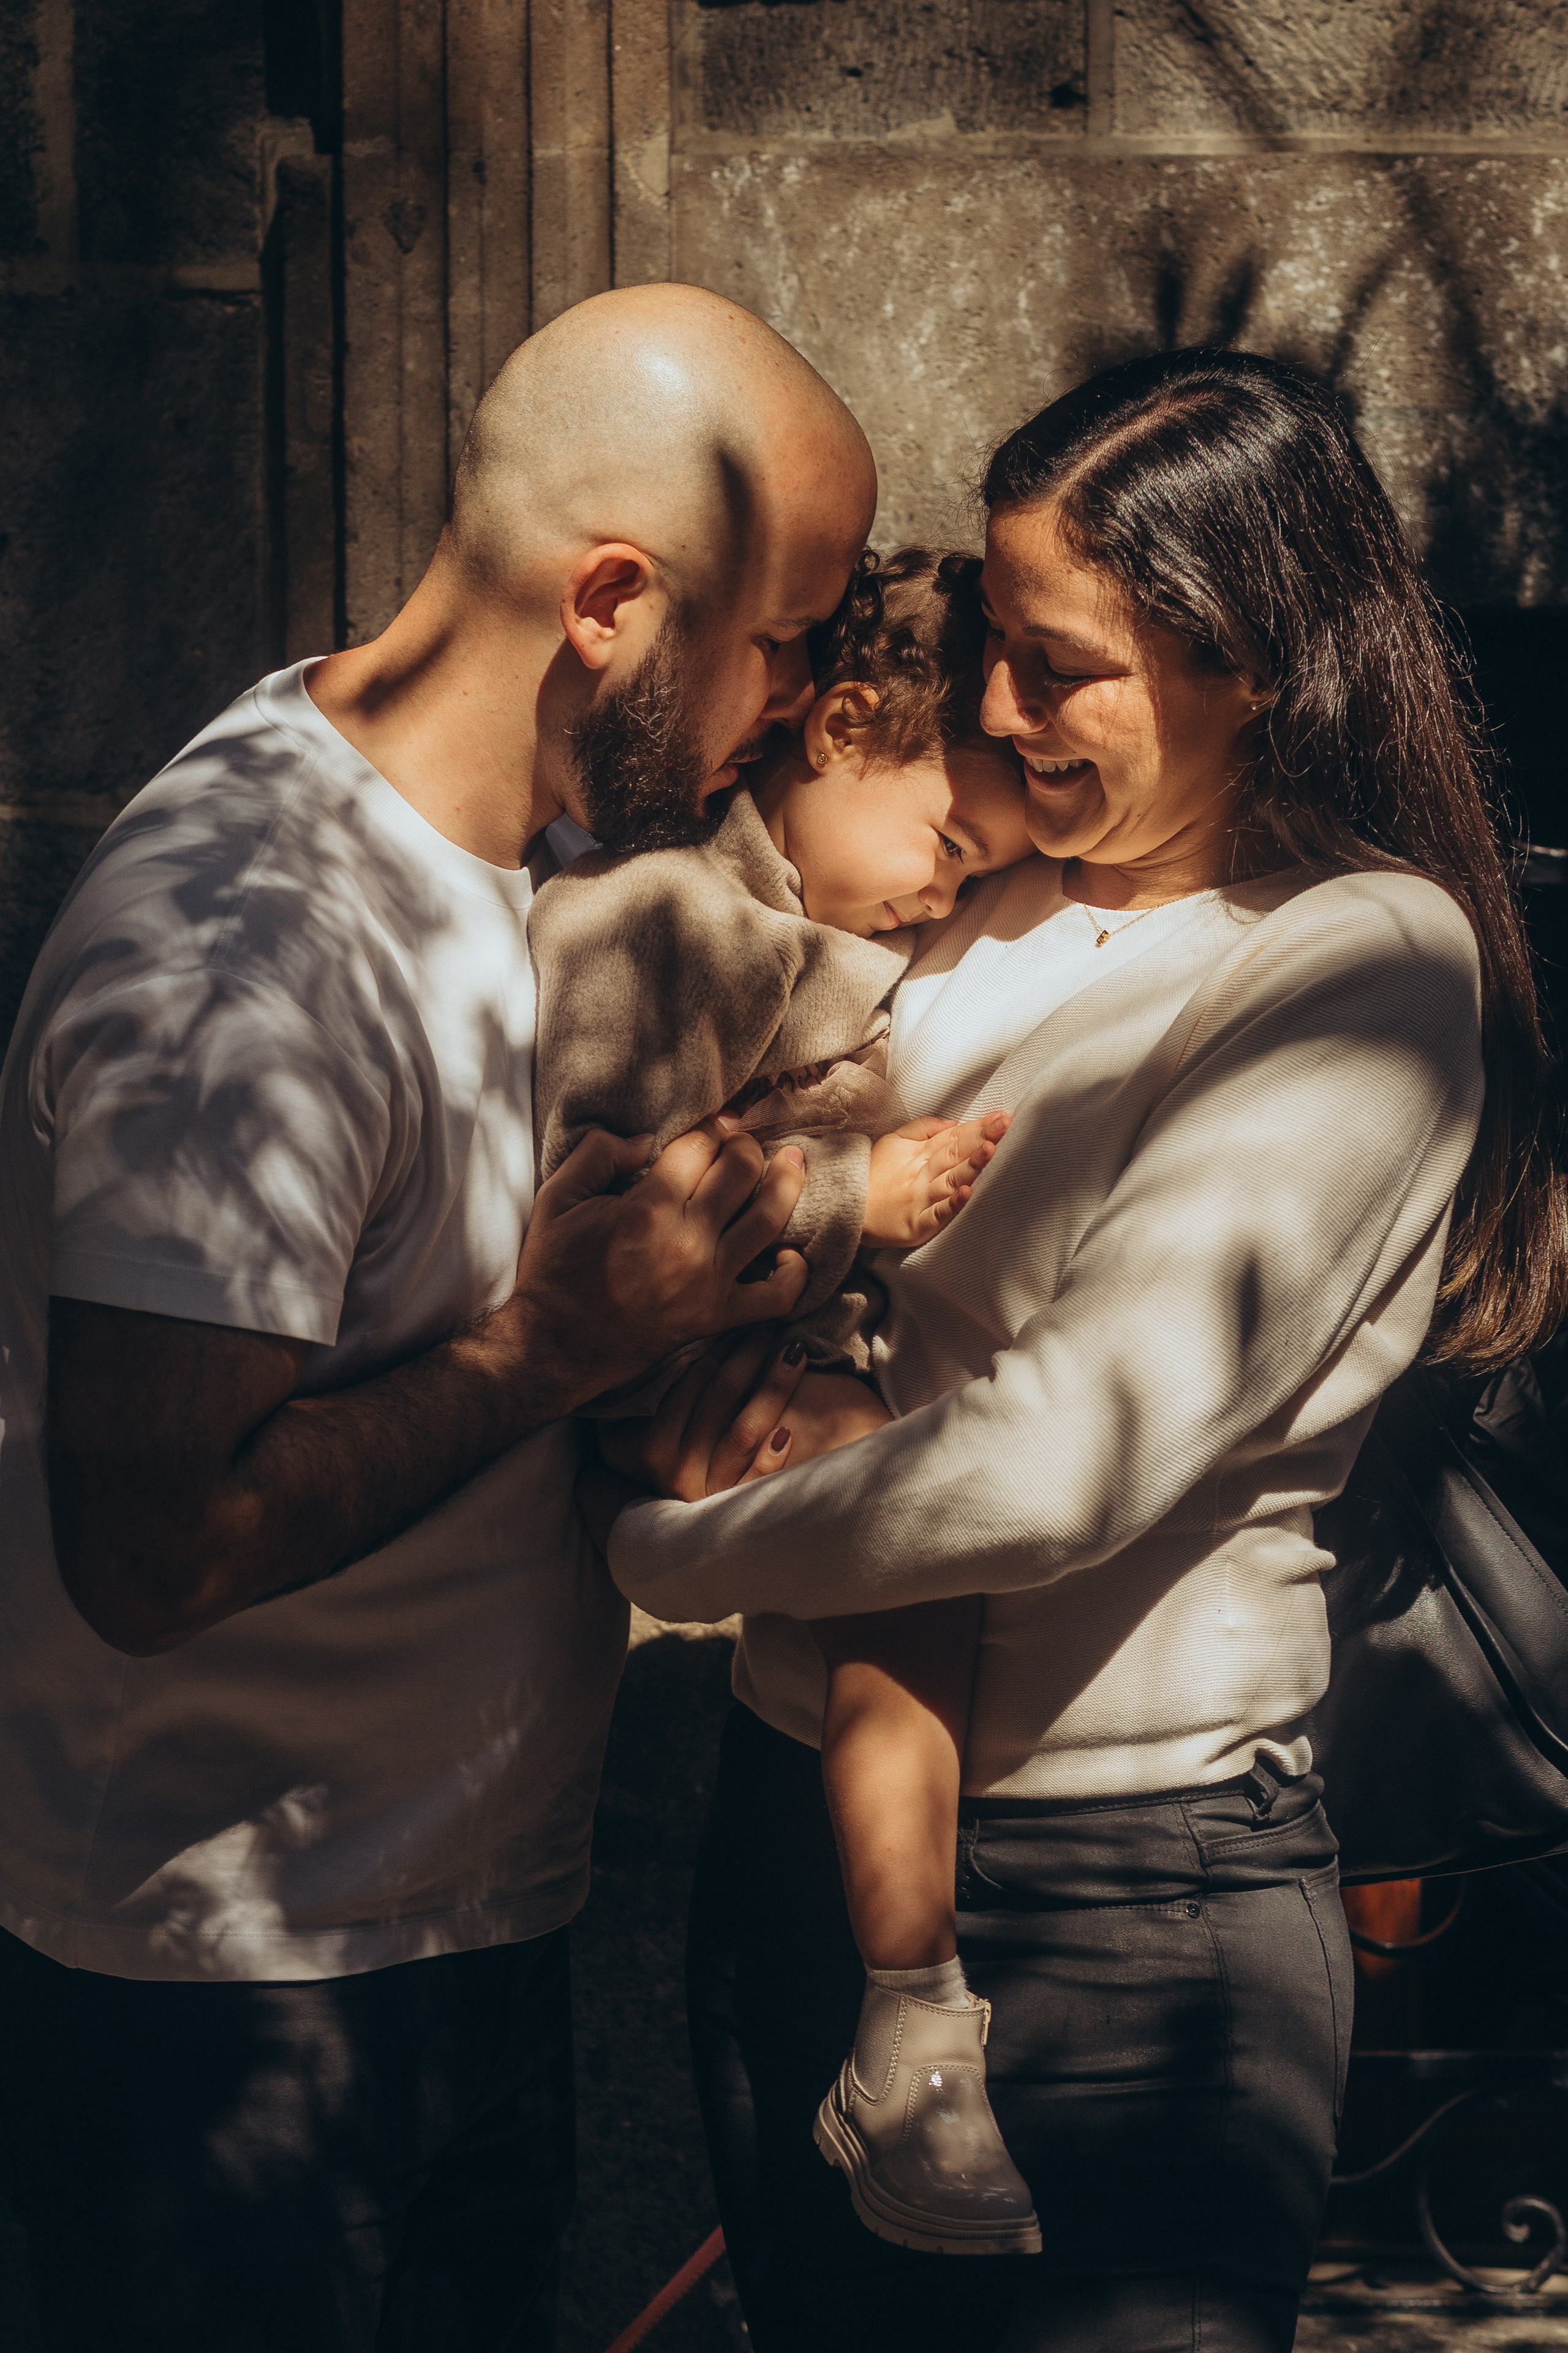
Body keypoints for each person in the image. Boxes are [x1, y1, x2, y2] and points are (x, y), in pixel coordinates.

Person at [605, 347, 1568, 2352]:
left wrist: (674, 1549)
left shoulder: (1360, 958)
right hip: (802, 1827)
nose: (1000, 712)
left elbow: (1057, 1466)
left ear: (1260, 663)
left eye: (1065, 669)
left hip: (1118, 1900)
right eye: (998, 659)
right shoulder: (979, 895)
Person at [0, 283, 877, 2352]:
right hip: (222, 1996)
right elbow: (149, 1548)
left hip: (459, 1925)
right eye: (788, 637)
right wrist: (560, 1345)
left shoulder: (533, 851)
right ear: (609, 603)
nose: (817, 697)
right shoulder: (248, 961)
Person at [537, 548, 1041, 2255]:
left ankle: (916, 2010)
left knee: (920, 1566)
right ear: (831, 725)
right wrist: (858, 1195)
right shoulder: (670, 913)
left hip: (751, 1357)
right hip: (649, 1368)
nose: (936, 900)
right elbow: (596, 1210)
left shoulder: (799, 919)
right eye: (950, 852)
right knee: (923, 1532)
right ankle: (913, 2012)